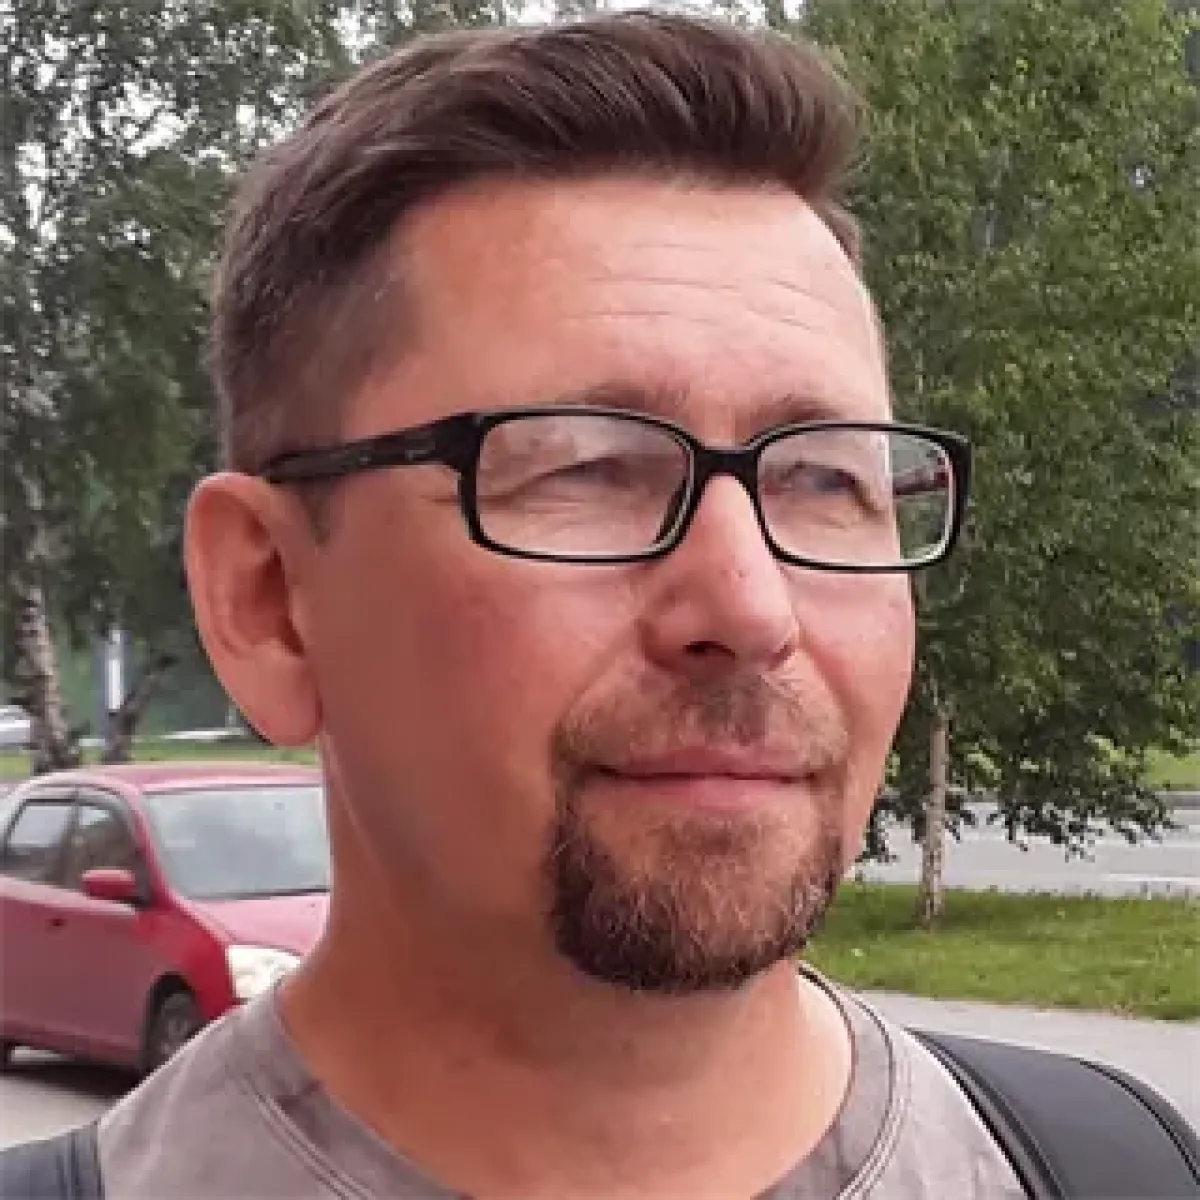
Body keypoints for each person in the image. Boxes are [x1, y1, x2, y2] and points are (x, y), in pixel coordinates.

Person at [94, 10, 1008, 1197]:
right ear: (268, 600)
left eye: (826, 479)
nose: (749, 607)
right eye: (586, 467)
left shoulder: (1110, 1164)